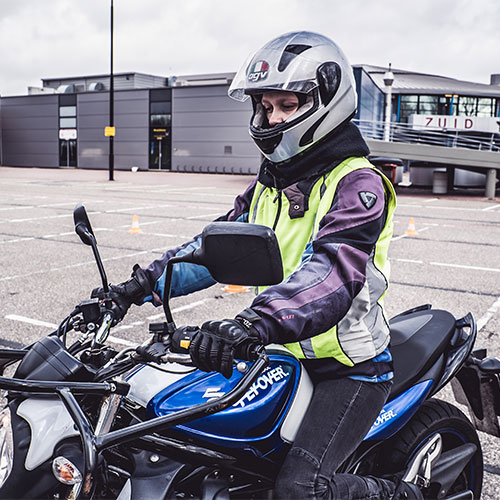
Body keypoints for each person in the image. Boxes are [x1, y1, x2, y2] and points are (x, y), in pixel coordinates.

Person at [99, 31, 423, 499]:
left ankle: (404, 495)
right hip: (274, 354)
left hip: (345, 368)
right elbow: (212, 251)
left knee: (299, 488)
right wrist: (137, 288)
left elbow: (331, 274)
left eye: (286, 106)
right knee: (175, 435)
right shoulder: (269, 185)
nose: (271, 118)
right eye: (265, 107)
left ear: (326, 102)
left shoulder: (357, 185)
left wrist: (250, 324)